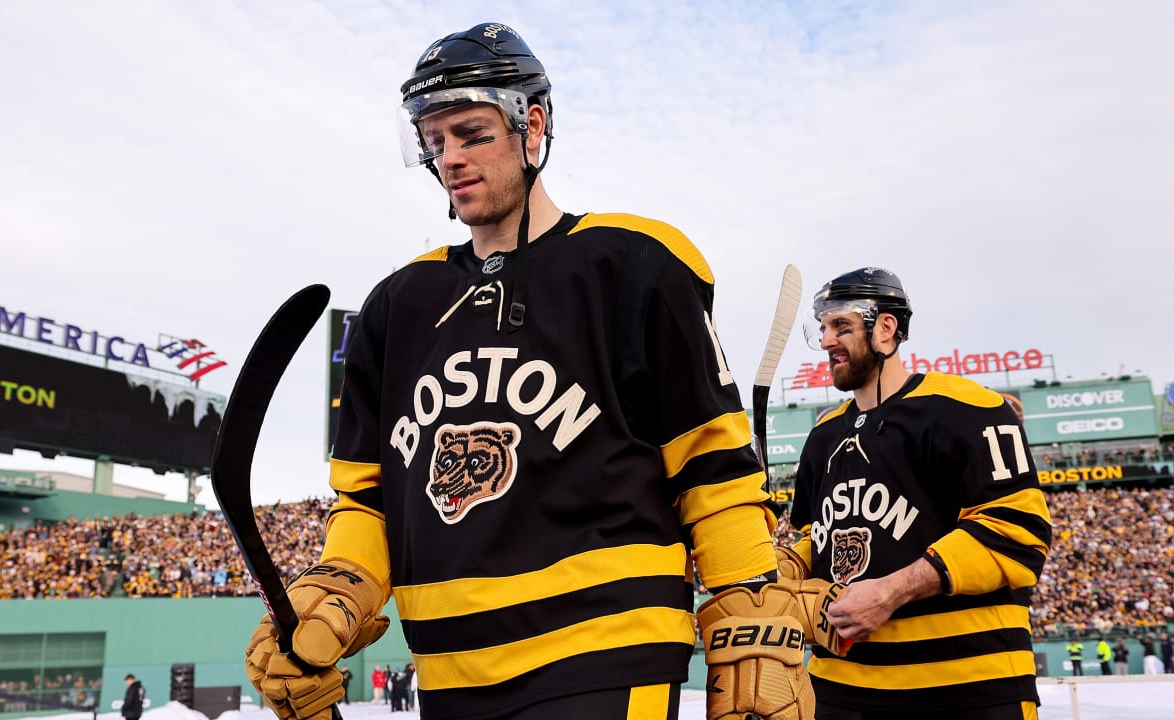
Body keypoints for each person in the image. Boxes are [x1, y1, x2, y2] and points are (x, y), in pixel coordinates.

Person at [243, 20, 845, 720]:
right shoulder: (395, 306)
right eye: (435, 141)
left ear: (532, 125)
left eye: (471, 134)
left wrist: (747, 602)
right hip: (448, 666)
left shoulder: (634, 263)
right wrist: (337, 591)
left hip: (603, 645)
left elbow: (710, 464)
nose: (450, 159)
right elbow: (369, 500)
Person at [786, 268, 1054, 719]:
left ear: (886, 328)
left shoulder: (970, 408)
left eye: (841, 326)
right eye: (824, 327)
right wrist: (784, 567)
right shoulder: (823, 435)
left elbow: (1018, 534)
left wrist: (891, 591)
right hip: (839, 686)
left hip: (967, 685)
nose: (827, 339)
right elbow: (822, 538)